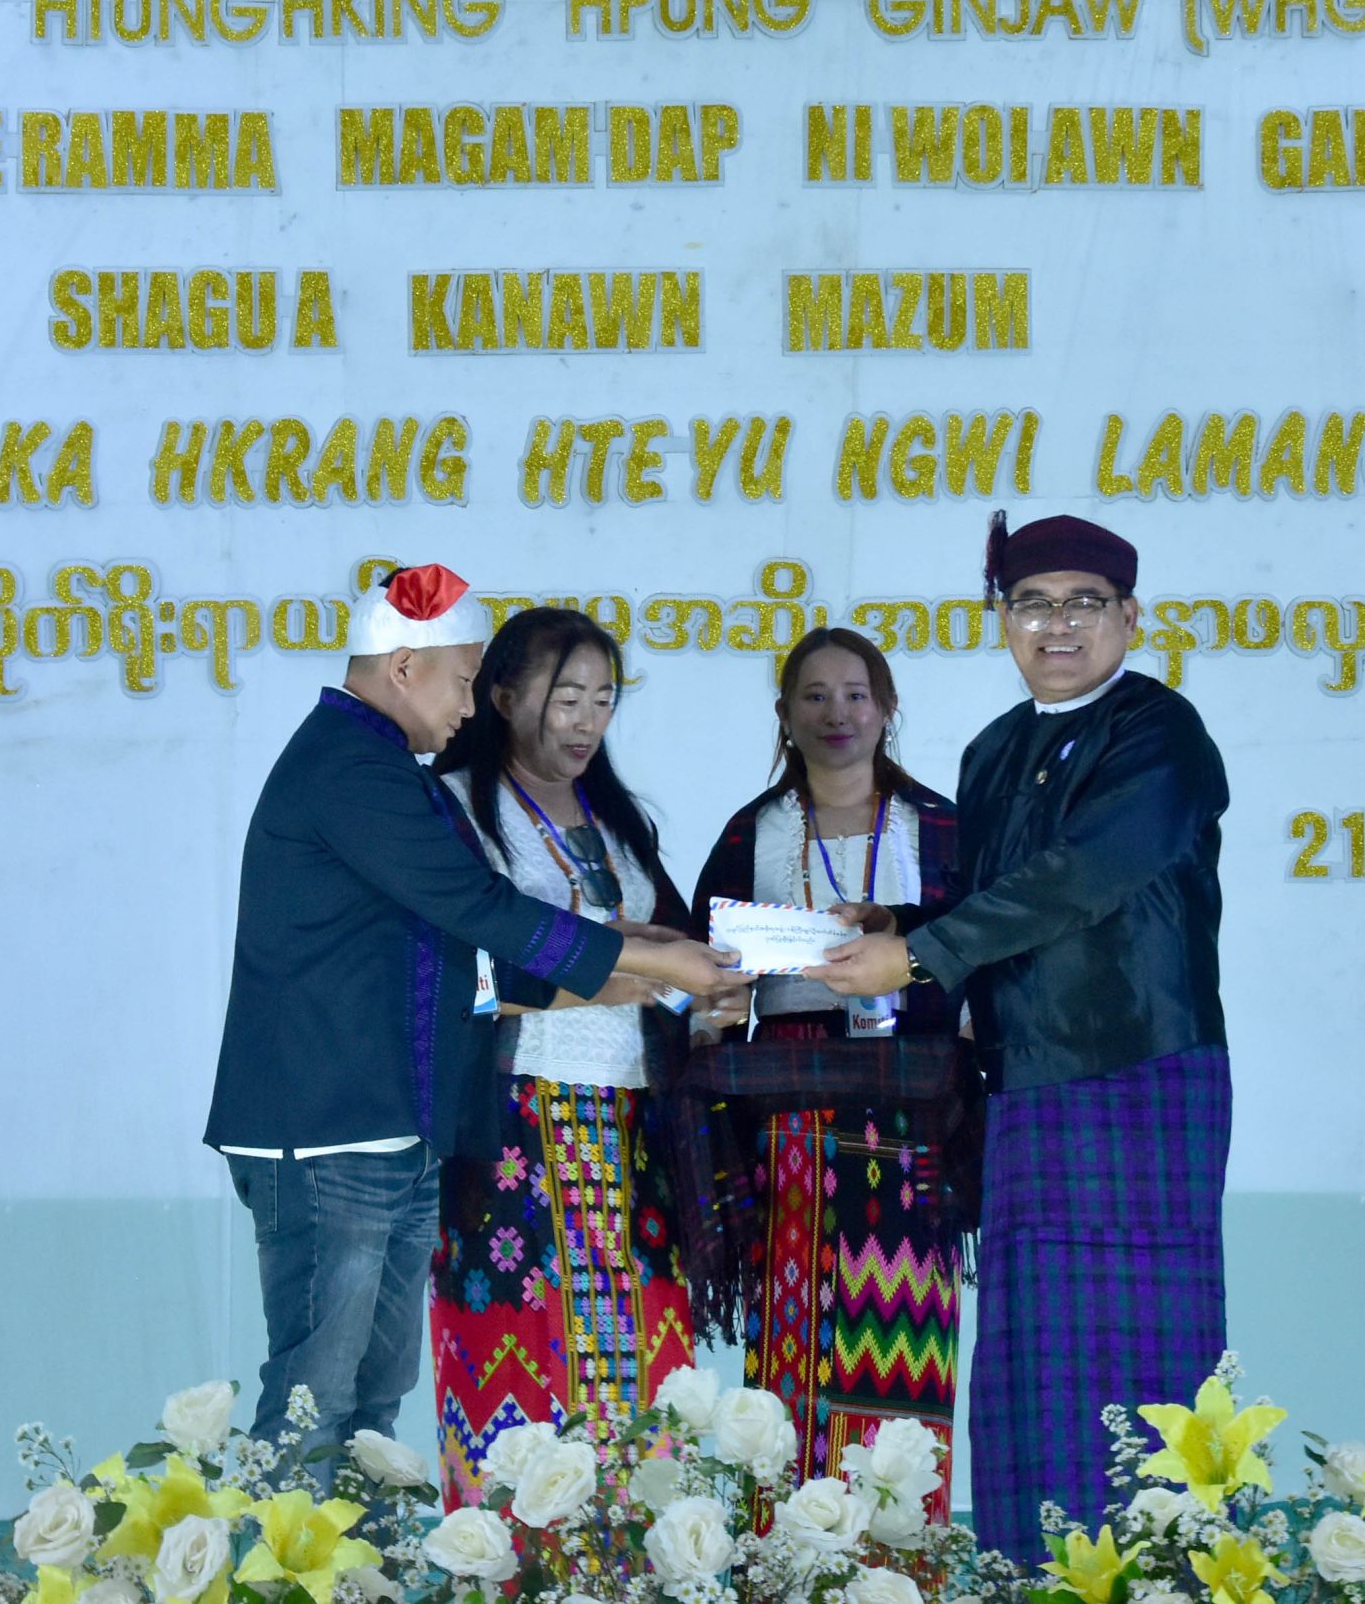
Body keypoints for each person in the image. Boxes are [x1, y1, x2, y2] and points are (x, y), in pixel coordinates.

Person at [203, 564, 747, 1462]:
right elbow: (482, 910)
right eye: (463, 681)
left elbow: (463, 957)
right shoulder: (349, 767)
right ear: (404, 667)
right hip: (326, 1128)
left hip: (394, 1123)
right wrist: (654, 960)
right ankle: (281, 1549)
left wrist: (640, 964)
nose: (469, 707)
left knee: (372, 1407)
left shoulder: (388, 768)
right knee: (312, 1404)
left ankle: (358, 1551)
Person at [808, 515, 1229, 1563]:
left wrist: (917, 955)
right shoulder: (995, 748)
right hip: (1024, 1085)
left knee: (1141, 1353)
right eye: (1032, 603)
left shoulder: (1159, 730)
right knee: (1032, 1352)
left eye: (1084, 602)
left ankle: (1155, 1578)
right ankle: (1031, 1572)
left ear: (1130, 616)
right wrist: (899, 926)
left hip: (1138, 1072)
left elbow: (1082, 878)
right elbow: (992, 899)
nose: (1057, 624)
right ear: (1002, 620)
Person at [422, 606, 734, 1505]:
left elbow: (665, 959)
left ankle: (640, 1564)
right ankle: (511, 1562)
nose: (587, 721)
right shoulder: (452, 809)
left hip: (635, 1126)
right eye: (567, 699)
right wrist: (614, 980)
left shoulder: (617, 821)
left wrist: (709, 993)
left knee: (648, 1363)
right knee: (515, 1355)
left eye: (603, 700)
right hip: (512, 1123)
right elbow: (451, 979)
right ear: (503, 696)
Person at [682, 627, 982, 1495]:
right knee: (795, 1321)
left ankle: (900, 1547)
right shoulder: (752, 832)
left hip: (913, 1102)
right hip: (788, 1104)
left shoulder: (945, 826)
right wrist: (713, 1006)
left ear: (887, 709)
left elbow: (983, 952)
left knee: (906, 1328)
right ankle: (786, 1543)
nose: (837, 713)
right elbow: (704, 967)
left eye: (855, 695)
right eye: (814, 696)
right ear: (784, 714)